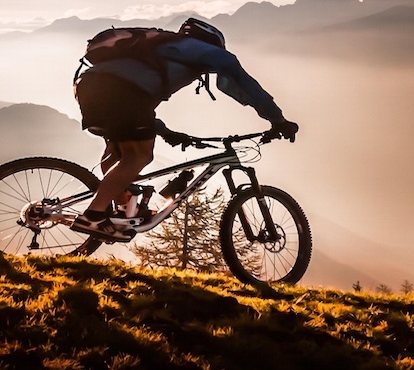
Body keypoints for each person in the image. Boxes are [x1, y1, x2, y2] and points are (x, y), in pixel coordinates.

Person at [71, 17, 298, 241]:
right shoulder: (208, 52)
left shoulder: (161, 52)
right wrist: (278, 120)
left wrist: (165, 131)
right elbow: (246, 85)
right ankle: (94, 215)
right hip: (124, 93)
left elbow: (142, 105)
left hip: (88, 87)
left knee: (116, 154)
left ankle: (121, 213)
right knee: (138, 156)